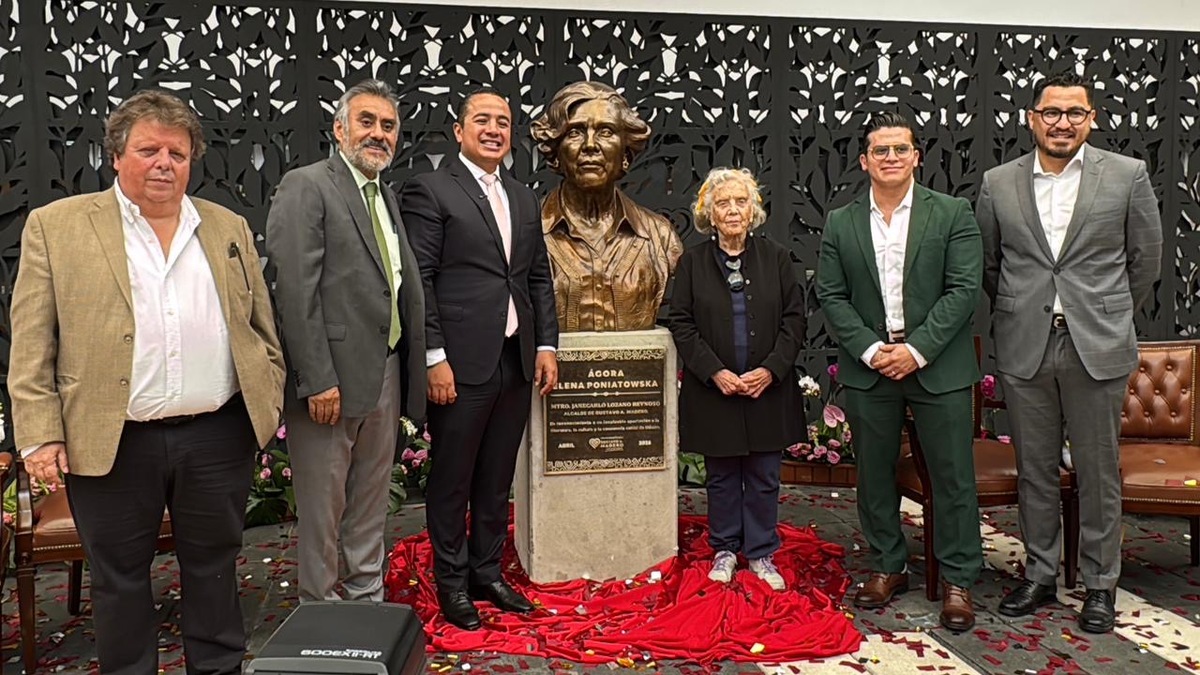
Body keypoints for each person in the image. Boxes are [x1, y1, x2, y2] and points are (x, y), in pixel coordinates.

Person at [8, 89, 285, 674]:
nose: (164, 163)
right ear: (116, 155)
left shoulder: (226, 225)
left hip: (216, 434)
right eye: (149, 150)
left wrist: (267, 392)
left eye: (177, 153)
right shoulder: (57, 227)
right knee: (120, 579)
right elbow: (32, 342)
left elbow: (260, 324)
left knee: (215, 567)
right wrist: (40, 435)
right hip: (112, 438)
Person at [977, 71, 1162, 633]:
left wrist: (1103, 311)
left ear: (1092, 118)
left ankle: (1100, 583)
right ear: (1032, 119)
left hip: (1096, 344)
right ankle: (1039, 574)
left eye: (1075, 113)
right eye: (1051, 113)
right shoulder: (998, 183)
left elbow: (1145, 260)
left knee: (1098, 472)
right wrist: (1025, 309)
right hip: (1026, 343)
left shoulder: (1127, 175)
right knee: (1034, 469)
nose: (1063, 123)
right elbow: (990, 264)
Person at [815, 111, 983, 631]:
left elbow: (963, 290)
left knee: (952, 475)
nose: (891, 157)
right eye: (880, 150)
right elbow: (831, 295)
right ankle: (889, 565)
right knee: (874, 474)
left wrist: (917, 349)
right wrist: (871, 350)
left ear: (917, 157)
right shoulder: (840, 221)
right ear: (864, 161)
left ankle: (958, 579)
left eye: (900, 149)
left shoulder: (952, 213)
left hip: (937, 366)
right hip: (871, 369)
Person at [400, 88, 559, 631]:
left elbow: (537, 277)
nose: (494, 130)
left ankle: (486, 573)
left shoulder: (523, 196)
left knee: (495, 477)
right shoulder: (431, 189)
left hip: (515, 360)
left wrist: (546, 345)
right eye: (483, 120)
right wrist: (433, 356)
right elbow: (419, 279)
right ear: (459, 130)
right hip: (458, 364)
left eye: (504, 122)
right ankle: (451, 581)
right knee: (453, 479)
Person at [266, 79, 427, 604]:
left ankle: (365, 602)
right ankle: (319, 610)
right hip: (329, 380)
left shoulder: (385, 195)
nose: (378, 134)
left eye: (388, 126)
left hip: (384, 371)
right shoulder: (307, 185)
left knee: (370, 500)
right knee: (323, 506)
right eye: (367, 121)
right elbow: (295, 290)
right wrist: (317, 379)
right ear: (339, 129)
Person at [668, 167, 806, 591]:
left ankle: (761, 552)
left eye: (740, 201)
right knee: (722, 477)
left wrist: (771, 369)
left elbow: (794, 320)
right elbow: (681, 322)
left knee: (764, 476)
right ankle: (725, 549)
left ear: (753, 209)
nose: (732, 210)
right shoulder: (692, 263)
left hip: (767, 388)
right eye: (723, 203)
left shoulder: (777, 258)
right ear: (709, 213)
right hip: (716, 391)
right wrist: (715, 372)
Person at [531, 81, 683, 331]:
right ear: (556, 152)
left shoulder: (660, 235)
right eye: (575, 132)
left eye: (606, 131)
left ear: (625, 153)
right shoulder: (527, 230)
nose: (590, 145)